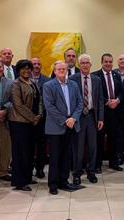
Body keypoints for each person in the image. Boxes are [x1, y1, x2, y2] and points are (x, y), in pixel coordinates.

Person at [43, 60, 83, 195]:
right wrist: (65, 120)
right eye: (59, 69)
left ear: (67, 71)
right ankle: (53, 184)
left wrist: (74, 118)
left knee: (67, 156)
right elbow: (49, 106)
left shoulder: (73, 84)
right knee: (55, 157)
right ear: (54, 71)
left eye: (64, 69)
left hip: (71, 125)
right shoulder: (48, 85)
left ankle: (64, 181)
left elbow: (80, 103)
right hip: (56, 127)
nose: (61, 71)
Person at [70, 54, 104, 185]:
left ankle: (91, 171)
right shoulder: (73, 79)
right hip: (78, 117)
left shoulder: (96, 80)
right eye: (82, 63)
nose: (85, 65)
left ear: (90, 65)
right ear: (79, 65)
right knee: (78, 148)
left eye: (87, 63)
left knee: (92, 146)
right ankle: (77, 173)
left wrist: (100, 118)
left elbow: (100, 100)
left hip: (92, 116)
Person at [9, 59, 42, 191]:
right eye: (23, 68)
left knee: (29, 152)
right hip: (19, 123)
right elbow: (18, 105)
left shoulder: (33, 82)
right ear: (18, 70)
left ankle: (27, 177)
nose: (26, 70)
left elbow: (39, 100)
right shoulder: (16, 84)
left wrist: (39, 115)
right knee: (20, 152)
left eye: (29, 68)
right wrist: (32, 117)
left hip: (32, 122)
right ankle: (20, 181)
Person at [93, 53, 124, 172]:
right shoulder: (95, 76)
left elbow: (121, 92)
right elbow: (95, 94)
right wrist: (107, 102)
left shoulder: (116, 75)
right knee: (99, 140)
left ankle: (113, 163)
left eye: (110, 62)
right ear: (102, 62)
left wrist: (117, 100)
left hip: (115, 113)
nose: (108, 64)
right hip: (102, 113)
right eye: (106, 62)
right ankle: (98, 165)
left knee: (114, 139)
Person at [31, 57, 50, 178]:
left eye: (38, 64)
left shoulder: (47, 80)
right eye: (34, 64)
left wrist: (40, 114)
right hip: (28, 119)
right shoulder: (24, 80)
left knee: (42, 146)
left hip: (43, 118)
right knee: (29, 145)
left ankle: (40, 169)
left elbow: (48, 100)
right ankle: (29, 168)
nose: (36, 66)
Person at [114, 54, 124, 165]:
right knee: (118, 134)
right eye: (121, 59)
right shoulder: (112, 73)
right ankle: (119, 156)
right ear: (117, 62)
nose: (123, 61)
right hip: (116, 109)